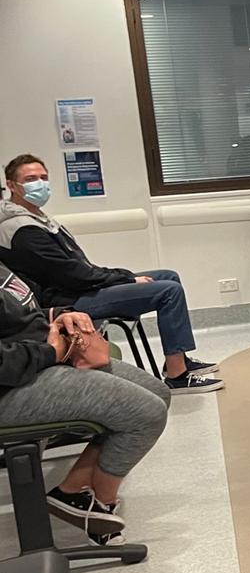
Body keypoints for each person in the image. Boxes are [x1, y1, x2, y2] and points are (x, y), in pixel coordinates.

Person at [0, 154, 222, 394]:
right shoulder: (21, 229)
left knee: (167, 276)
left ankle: (177, 360)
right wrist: (126, 278)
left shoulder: (37, 218)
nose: (40, 184)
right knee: (168, 291)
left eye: (44, 178)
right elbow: (75, 275)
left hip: (78, 288)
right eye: (31, 179)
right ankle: (178, 377)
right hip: (66, 300)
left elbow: (80, 268)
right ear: (12, 185)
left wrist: (120, 276)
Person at [0, 262, 170, 547]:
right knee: (146, 414)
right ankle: (99, 507)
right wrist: (49, 352)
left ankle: (72, 491)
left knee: (158, 394)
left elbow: (18, 317)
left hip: (34, 363)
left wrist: (59, 316)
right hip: (11, 386)